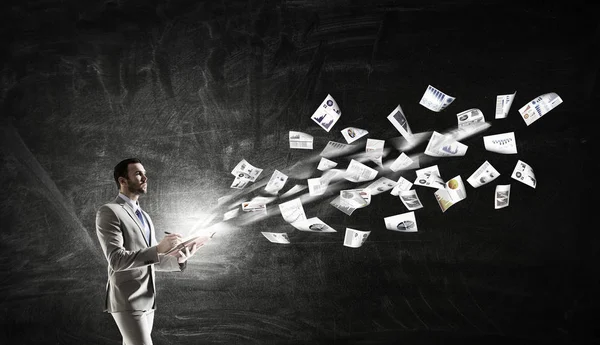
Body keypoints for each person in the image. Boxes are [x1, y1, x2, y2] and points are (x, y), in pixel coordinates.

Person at [96, 158, 200, 345]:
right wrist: (159, 248)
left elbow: (151, 259)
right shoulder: (109, 211)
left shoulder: (145, 216)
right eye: (138, 173)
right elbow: (117, 260)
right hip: (127, 299)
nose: (145, 178)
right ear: (123, 181)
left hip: (148, 300)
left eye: (144, 173)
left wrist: (180, 259)